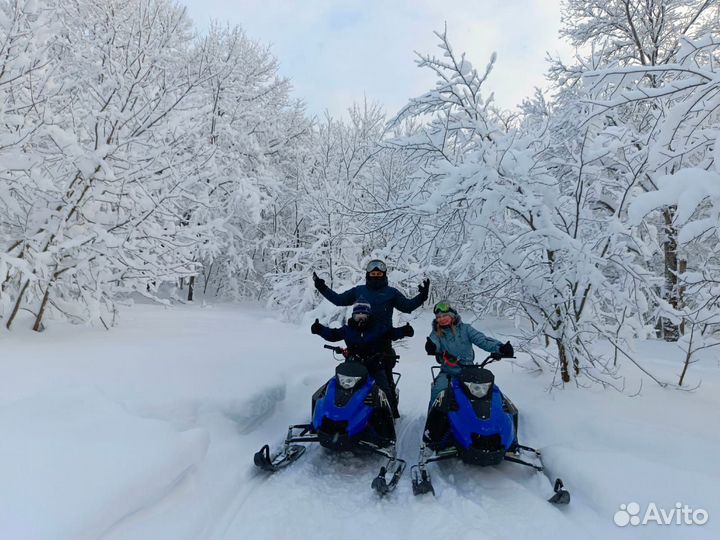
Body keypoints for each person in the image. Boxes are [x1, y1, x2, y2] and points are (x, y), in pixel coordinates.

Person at [312, 259, 429, 396]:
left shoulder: (391, 293)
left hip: (383, 342)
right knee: (351, 379)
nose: (376, 276)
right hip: (357, 342)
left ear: (384, 275)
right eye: (373, 273)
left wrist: (422, 297)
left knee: (385, 383)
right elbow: (339, 300)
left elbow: (407, 306)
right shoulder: (359, 291)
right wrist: (322, 288)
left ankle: (390, 411)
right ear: (368, 274)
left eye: (379, 274)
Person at [311, 302, 414, 418]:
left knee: (384, 389)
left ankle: (389, 414)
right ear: (353, 316)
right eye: (357, 316)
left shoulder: (377, 328)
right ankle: (333, 413)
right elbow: (333, 334)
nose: (360, 319)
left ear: (368, 316)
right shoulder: (348, 329)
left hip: (374, 365)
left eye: (363, 316)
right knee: (335, 386)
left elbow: (391, 332)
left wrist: (404, 331)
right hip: (353, 365)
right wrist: (319, 329)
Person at [424, 301, 514, 408]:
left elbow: (482, 340)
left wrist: (500, 348)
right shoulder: (436, 333)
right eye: (438, 317)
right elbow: (434, 342)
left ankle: (493, 415)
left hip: (469, 371)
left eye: (444, 315)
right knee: (438, 390)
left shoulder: (466, 329)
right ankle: (434, 421)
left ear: (452, 315)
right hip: (448, 372)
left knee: (488, 390)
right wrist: (432, 347)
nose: (441, 319)